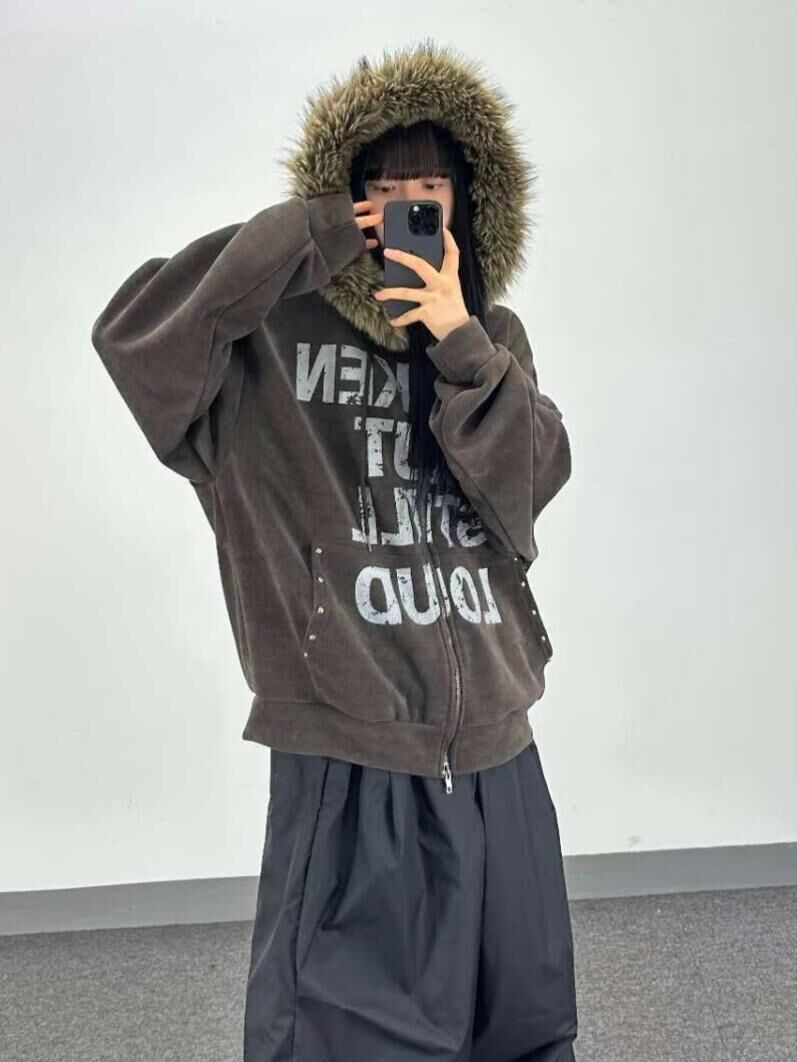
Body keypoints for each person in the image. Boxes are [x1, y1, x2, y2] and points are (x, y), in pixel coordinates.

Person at [91, 38, 577, 1062]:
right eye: (379, 193)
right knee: (343, 1034)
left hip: (501, 749)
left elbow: (531, 489)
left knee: (522, 1029)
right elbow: (136, 340)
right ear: (344, 197)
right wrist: (305, 237)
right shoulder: (265, 345)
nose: (403, 215)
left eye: (427, 194)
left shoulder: (490, 340)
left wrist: (461, 344)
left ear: (469, 207)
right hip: (352, 752)